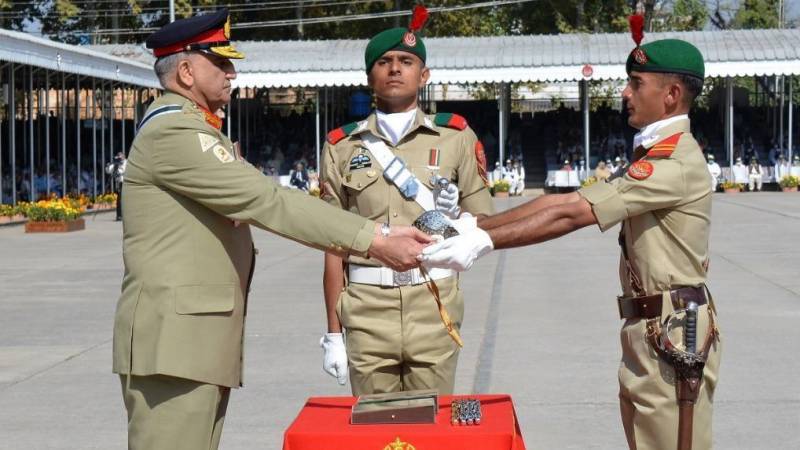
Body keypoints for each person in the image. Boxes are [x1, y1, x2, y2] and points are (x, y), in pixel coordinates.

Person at [113, 10, 430, 450]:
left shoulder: (192, 129)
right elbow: (270, 201)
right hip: (174, 346)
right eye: (220, 64)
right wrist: (376, 240)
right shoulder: (175, 132)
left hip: (189, 344)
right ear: (185, 71)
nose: (232, 73)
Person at [422, 35, 721, 450]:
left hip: (674, 330)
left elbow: (573, 213)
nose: (625, 92)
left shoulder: (676, 163)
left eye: (636, 82)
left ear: (670, 94)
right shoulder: (653, 156)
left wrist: (482, 241)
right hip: (650, 327)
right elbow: (564, 200)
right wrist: (478, 225)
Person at [319, 4, 494, 396]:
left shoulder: (456, 137)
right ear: (370, 77)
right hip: (366, 308)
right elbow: (331, 242)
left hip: (434, 303)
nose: (395, 68)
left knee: (432, 428)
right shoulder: (340, 146)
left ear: (424, 75)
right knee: (375, 430)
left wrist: (456, 220)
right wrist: (333, 331)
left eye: (406, 61)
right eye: (384, 61)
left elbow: (483, 221)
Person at [105, 152, 127, 220]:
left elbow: (123, 170)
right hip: (119, 183)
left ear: (123, 157)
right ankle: (119, 215)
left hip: (126, 183)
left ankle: (125, 215)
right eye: (118, 157)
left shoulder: (127, 162)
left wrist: (118, 169)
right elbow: (109, 171)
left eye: (120, 157)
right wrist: (108, 166)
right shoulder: (116, 163)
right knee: (119, 199)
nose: (119, 159)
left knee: (125, 199)